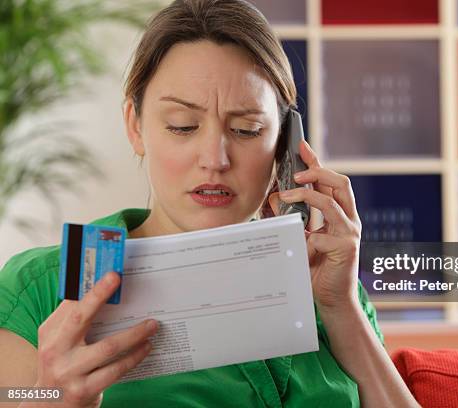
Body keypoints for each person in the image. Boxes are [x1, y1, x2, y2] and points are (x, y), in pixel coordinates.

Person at [0, 1, 420, 407]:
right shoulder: (42, 287)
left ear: (286, 145)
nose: (215, 160)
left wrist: (340, 306)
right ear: (136, 126)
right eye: (182, 127)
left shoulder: (330, 287)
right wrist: (49, 398)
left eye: (247, 129)